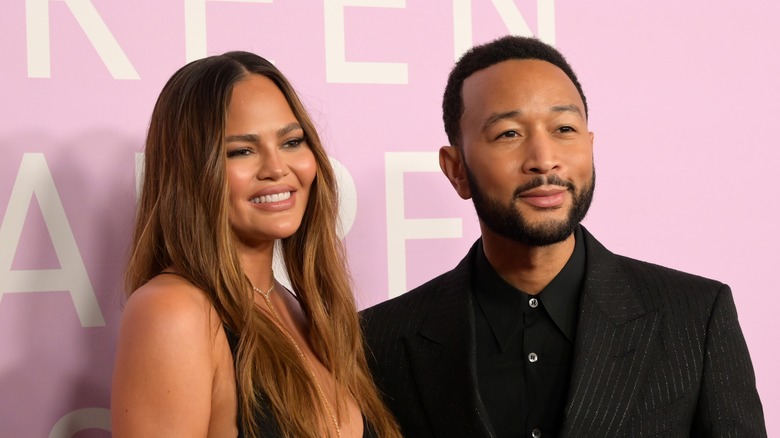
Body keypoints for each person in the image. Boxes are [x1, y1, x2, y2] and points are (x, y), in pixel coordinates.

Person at [361, 36, 766, 437]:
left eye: (564, 128)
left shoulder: (694, 318)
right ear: (456, 169)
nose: (543, 160)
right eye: (509, 134)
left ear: (590, 147)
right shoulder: (378, 340)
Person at [111, 51, 401, 438]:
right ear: (192, 170)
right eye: (241, 151)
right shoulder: (173, 312)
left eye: (292, 142)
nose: (276, 168)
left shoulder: (294, 306)